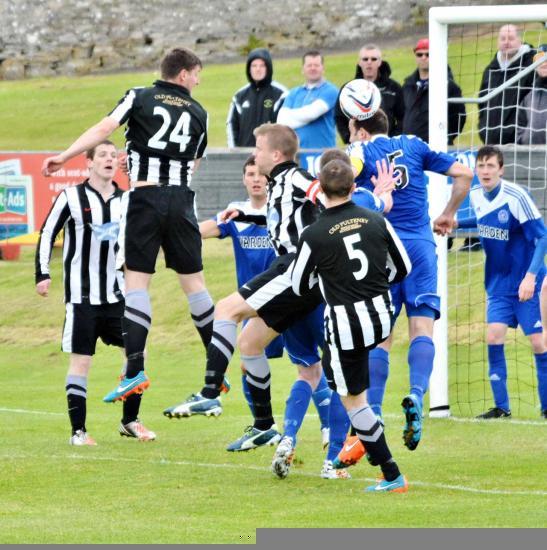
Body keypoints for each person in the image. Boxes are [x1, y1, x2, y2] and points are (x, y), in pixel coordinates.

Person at [169, 124, 395, 479]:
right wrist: (246, 215)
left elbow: (324, 196)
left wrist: (374, 202)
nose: (254, 154)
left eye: (258, 148)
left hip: (295, 271)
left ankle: (211, 392)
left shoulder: (293, 177)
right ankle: (264, 424)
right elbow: (291, 219)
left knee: (227, 310)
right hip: (301, 276)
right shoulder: (279, 185)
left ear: (275, 155)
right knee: (249, 342)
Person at [41, 48, 215, 404]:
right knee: (194, 284)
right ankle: (216, 370)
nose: (198, 81)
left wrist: (64, 156)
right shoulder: (200, 112)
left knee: (136, 281)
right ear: (183, 74)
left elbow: (105, 128)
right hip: (182, 200)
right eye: (197, 74)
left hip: (144, 198)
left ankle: (134, 370)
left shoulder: (139, 96)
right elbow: (192, 163)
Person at [344, 109, 473, 453]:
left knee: (380, 339)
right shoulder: (414, 144)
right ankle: (416, 394)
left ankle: (373, 415)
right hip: (419, 247)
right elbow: (464, 173)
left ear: (359, 129)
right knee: (421, 330)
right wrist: (448, 214)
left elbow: (340, 184)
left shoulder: (360, 153)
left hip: (383, 248)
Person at [290, 158, 411, 492]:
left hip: (345, 326)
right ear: (354, 187)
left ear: (319, 189)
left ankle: (389, 471)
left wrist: (327, 278)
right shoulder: (375, 219)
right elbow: (402, 266)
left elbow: (299, 285)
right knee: (344, 379)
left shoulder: (313, 234)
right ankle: (366, 435)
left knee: (352, 399)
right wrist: (376, 283)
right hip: (381, 316)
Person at [35, 141, 155, 445]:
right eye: (102, 155)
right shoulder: (71, 197)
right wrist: (43, 273)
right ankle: (79, 432)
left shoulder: (126, 200)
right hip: (82, 299)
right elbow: (48, 231)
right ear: (88, 163)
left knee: (137, 353)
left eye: (113, 156)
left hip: (117, 297)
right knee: (81, 362)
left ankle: (130, 421)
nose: (109, 159)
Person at [454, 146, 547, 419]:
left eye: (490, 166)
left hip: (525, 282)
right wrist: (456, 224)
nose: (485, 171)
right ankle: (501, 407)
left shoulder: (516, 196)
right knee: (494, 336)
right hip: (497, 284)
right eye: (481, 166)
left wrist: (531, 277)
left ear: (501, 169)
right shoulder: (475, 195)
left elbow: (541, 237)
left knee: (539, 343)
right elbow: (484, 222)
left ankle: (546, 407)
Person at [402, 38, 467, 145]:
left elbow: (459, 117)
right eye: (419, 55)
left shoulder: (449, 86)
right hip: (410, 148)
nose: (424, 58)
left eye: (428, 54)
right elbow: (403, 115)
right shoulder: (408, 85)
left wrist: (445, 137)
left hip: (436, 147)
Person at [335, 44, 404, 143]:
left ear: (380, 62)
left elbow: (403, 117)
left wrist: (392, 140)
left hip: (386, 145)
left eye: (374, 59)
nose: (369, 62)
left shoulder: (394, 87)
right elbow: (339, 117)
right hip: (358, 145)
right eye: (365, 59)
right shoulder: (348, 89)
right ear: (359, 62)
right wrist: (349, 138)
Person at [479, 25, 535, 145]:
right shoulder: (490, 70)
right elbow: (482, 105)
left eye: (511, 38)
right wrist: (483, 130)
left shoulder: (532, 66)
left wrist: (523, 135)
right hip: (492, 143)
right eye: (503, 38)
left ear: (520, 40)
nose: (506, 42)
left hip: (520, 143)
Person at [277, 50, 339, 149]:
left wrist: (291, 117)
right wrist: (304, 116)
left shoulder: (331, 91)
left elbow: (312, 113)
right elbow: (281, 120)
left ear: (323, 68)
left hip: (323, 154)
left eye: (316, 65)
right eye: (309, 65)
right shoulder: (294, 93)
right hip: (297, 154)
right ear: (303, 69)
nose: (313, 68)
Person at [226, 49, 288, 148]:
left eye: (262, 65)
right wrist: (234, 151)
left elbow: (285, 128)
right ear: (249, 69)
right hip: (244, 155)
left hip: (271, 155)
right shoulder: (239, 96)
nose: (258, 69)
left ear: (268, 68)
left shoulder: (280, 94)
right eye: (254, 66)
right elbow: (231, 125)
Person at [517, 45, 547, 145]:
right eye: (539, 59)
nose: (543, 63)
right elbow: (520, 123)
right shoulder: (529, 97)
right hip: (531, 155)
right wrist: (523, 139)